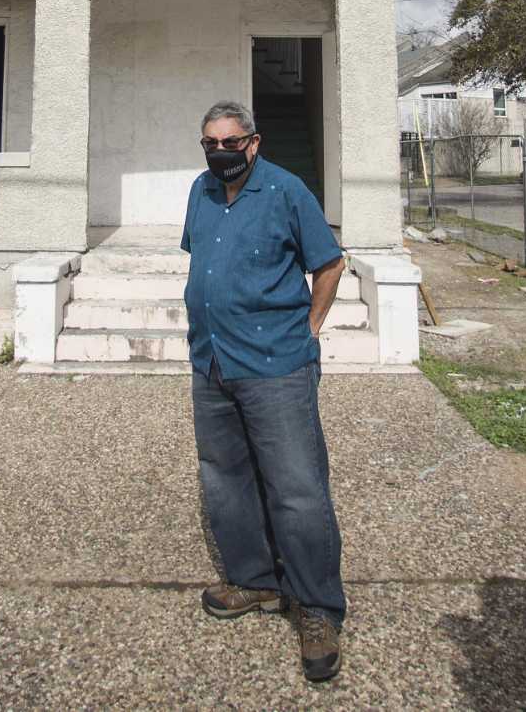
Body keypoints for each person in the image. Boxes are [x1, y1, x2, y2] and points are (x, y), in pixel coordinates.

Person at [183, 100, 349, 683]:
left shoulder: (286, 191)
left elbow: (329, 263)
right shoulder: (200, 193)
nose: (219, 152)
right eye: (210, 142)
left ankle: (318, 608)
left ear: (253, 143)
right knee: (225, 479)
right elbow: (202, 262)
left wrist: (309, 327)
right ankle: (253, 580)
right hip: (213, 362)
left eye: (230, 143)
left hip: (277, 365)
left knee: (297, 489)